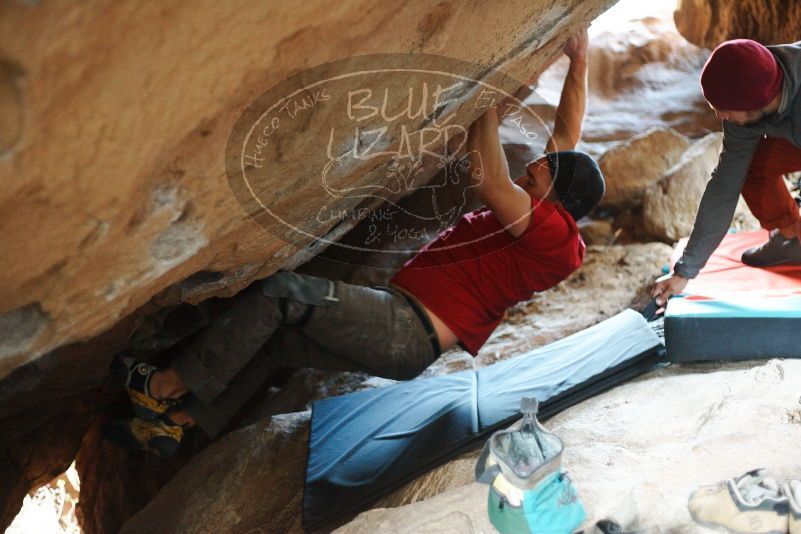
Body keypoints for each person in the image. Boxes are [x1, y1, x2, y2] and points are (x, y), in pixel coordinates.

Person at [104, 30, 605, 457]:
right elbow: (565, 136)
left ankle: (165, 386)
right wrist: (578, 60)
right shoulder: (548, 212)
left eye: (542, 171)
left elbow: (491, 182)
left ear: (560, 199)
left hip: (407, 330)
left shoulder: (555, 236)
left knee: (280, 294)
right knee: (272, 341)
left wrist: (489, 100)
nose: (534, 165)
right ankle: (176, 425)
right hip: (402, 324)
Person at [652, 39, 801, 307]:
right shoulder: (753, 94)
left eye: (722, 109)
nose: (720, 116)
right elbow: (724, 187)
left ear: (755, 105)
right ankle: (792, 238)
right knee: (751, 165)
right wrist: (685, 270)